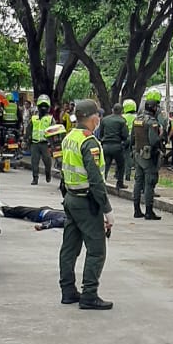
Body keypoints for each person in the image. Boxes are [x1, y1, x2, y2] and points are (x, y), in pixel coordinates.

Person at [59, 99, 114, 309]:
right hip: (85, 202)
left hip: (71, 198)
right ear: (93, 118)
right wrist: (107, 210)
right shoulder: (89, 142)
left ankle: (68, 291)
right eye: (97, 116)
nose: (99, 119)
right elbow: (96, 180)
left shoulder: (69, 137)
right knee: (97, 250)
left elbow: (64, 170)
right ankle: (89, 295)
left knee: (69, 248)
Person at [132, 89, 164, 220]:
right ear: (153, 108)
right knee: (149, 183)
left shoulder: (137, 120)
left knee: (138, 182)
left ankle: (136, 210)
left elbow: (132, 138)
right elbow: (154, 141)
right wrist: (161, 134)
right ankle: (149, 211)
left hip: (137, 154)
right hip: (148, 156)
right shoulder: (152, 122)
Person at [99, 103, 129, 188]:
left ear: (113, 110)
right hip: (117, 146)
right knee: (121, 165)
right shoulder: (122, 121)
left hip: (105, 145)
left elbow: (101, 133)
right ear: (121, 111)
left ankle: (102, 182)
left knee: (105, 165)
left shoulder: (104, 120)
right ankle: (120, 183)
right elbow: (125, 135)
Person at [29, 94, 53, 185]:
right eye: (41, 106)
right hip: (35, 143)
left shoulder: (50, 119)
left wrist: (53, 144)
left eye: (45, 106)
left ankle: (48, 173)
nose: (43, 108)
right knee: (34, 162)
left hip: (46, 144)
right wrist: (25, 140)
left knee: (47, 161)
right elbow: (29, 130)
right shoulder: (33, 118)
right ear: (38, 107)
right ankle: (35, 178)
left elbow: (54, 132)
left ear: (48, 108)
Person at [121, 99, 137, 180]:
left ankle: (119, 173)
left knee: (123, 156)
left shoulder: (122, 117)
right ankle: (129, 174)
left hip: (125, 137)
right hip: (134, 138)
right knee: (131, 156)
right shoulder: (136, 117)